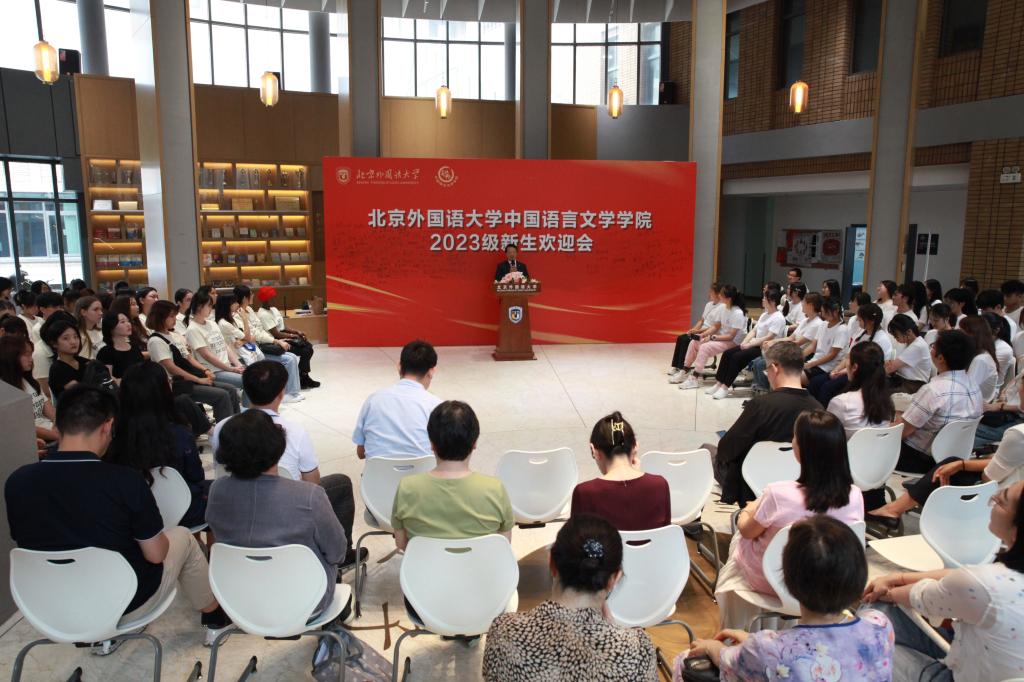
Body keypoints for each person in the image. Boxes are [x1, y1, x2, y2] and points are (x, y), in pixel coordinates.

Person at [4, 385, 230, 646]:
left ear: (57, 424)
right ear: (107, 426)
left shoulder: (17, 482)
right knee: (183, 537)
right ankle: (215, 620)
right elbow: (156, 555)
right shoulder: (124, 481)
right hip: (124, 602)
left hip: (50, 607)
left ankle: (104, 638)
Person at [685, 516, 893, 682]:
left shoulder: (766, 648)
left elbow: (727, 660)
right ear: (859, 574)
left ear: (789, 580)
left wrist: (711, 646)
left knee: (684, 661)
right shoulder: (879, 625)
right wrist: (754, 645)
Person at [714, 410, 864, 628]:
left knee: (740, 535)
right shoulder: (855, 495)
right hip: (827, 584)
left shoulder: (778, 493)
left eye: (794, 437)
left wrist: (748, 510)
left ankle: (736, 625)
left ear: (801, 449)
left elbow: (747, 530)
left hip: (773, 581)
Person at [864, 480, 1024, 682]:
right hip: (981, 659)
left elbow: (920, 596)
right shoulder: (995, 578)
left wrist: (887, 590)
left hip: (960, 675)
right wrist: (898, 577)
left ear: (1018, 529)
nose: (993, 497)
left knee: (868, 630)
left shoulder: (984, 584)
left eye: (1002, 501)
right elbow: (962, 578)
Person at [209, 361, 362, 567]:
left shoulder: (221, 429)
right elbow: (312, 483)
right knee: (337, 486)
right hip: (301, 570)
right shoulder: (293, 432)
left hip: (236, 565)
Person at [483, 513, 656, 682]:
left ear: (552, 563)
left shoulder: (503, 631)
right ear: (615, 579)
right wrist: (614, 632)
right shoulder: (637, 650)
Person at [208, 409, 349, 616]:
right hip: (306, 601)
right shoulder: (309, 496)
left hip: (239, 600)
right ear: (278, 447)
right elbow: (337, 552)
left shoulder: (217, 491)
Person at [708, 341, 822, 505]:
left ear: (775, 368)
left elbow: (727, 449)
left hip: (750, 484)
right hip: (795, 483)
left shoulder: (761, 405)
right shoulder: (818, 408)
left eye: (766, 370)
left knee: (707, 451)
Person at [391, 400, 514, 548]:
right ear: (474, 443)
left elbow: (401, 543)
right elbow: (504, 543)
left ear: (432, 444)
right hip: (481, 563)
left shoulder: (407, 487)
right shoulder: (495, 489)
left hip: (425, 563)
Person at [104, 362, 209, 529]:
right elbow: (196, 476)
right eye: (168, 380)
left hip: (133, 516)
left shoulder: (113, 435)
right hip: (184, 513)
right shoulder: (179, 433)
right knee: (215, 491)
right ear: (163, 391)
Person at [868, 422, 1024, 526]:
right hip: (1012, 488)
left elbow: (989, 477)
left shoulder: (1018, 434)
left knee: (947, 467)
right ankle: (894, 508)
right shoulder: (974, 392)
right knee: (951, 463)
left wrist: (964, 464)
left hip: (1006, 495)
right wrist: (963, 464)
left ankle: (892, 509)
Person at [895, 330, 984, 474]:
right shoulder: (974, 386)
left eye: (933, 347)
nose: (931, 350)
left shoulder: (933, 390)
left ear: (941, 358)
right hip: (955, 457)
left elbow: (902, 432)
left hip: (921, 459)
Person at [146, 299, 240, 426]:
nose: (174, 319)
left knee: (231, 390)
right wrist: (198, 380)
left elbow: (189, 358)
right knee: (222, 395)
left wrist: (205, 370)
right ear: (161, 317)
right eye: (171, 316)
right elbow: (172, 368)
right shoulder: (156, 341)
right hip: (176, 384)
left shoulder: (174, 335)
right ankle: (224, 431)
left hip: (190, 378)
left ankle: (236, 425)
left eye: (174, 316)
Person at [570, 412, 670, 530]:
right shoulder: (659, 484)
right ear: (635, 446)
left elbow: (576, 539)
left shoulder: (584, 492)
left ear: (594, 451)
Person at [352, 339, 442, 459]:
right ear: (431, 371)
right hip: (423, 471)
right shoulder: (438, 407)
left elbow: (361, 452)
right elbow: (444, 452)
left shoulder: (373, 400)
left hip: (378, 472)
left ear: (399, 366)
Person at [706, 287, 786, 400]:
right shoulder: (764, 314)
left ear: (772, 301)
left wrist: (750, 345)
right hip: (755, 344)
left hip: (766, 349)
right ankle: (719, 383)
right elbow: (753, 331)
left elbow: (769, 337)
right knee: (728, 353)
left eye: (765, 298)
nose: (762, 299)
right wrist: (744, 343)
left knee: (736, 357)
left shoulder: (778, 318)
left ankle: (725, 387)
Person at [810, 302, 894, 407]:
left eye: (860, 319)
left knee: (827, 387)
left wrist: (842, 372)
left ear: (871, 321)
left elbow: (868, 367)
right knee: (815, 382)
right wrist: (837, 369)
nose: (858, 321)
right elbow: (848, 355)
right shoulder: (861, 332)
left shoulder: (881, 339)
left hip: (862, 376)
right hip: (850, 369)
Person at [231, 284, 305, 397]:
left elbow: (260, 330)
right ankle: (289, 394)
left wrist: (275, 340)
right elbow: (254, 335)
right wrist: (276, 341)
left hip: (261, 345)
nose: (253, 295)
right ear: (245, 298)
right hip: (253, 351)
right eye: (251, 294)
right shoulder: (237, 315)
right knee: (289, 360)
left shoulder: (249, 310)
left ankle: (292, 392)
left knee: (293, 356)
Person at [677, 284, 747, 390]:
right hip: (722, 337)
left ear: (728, 298)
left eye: (721, 294)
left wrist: (712, 338)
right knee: (694, 342)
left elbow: (731, 336)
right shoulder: (723, 308)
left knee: (705, 347)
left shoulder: (738, 313)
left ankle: (694, 378)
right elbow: (716, 326)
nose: (719, 295)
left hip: (733, 342)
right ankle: (685, 370)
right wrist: (703, 334)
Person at [751, 291, 824, 393]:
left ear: (811, 305)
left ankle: (768, 392)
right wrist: (772, 341)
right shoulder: (805, 321)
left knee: (763, 363)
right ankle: (761, 388)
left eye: (804, 302)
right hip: (793, 351)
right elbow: (791, 338)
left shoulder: (817, 324)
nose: (802, 304)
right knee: (758, 361)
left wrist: (776, 346)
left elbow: (798, 342)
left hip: (800, 354)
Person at [185, 289, 246, 399]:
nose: (211, 308)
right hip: (214, 371)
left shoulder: (212, 323)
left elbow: (225, 346)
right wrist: (231, 369)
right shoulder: (193, 329)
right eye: (209, 305)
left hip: (227, 366)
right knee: (248, 381)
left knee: (252, 376)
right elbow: (207, 355)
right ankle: (249, 409)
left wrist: (238, 365)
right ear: (199, 307)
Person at [254, 286, 319, 388]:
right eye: (272, 298)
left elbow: (283, 326)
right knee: (306, 350)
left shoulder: (274, 309)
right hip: (276, 341)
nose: (274, 299)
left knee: (308, 346)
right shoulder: (263, 314)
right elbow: (276, 333)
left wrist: (296, 332)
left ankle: (303, 376)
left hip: (283, 335)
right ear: (265, 299)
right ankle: (303, 377)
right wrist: (293, 336)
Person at [827, 342, 895, 437]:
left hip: (847, 446)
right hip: (878, 446)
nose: (846, 363)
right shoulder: (887, 401)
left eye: (848, 358)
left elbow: (827, 435)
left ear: (855, 367)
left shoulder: (841, 402)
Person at [0, 335, 57, 443]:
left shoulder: (30, 381)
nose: (31, 359)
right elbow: (22, 426)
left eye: (31, 354)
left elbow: (50, 411)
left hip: (51, 432)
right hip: (32, 440)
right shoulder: (4, 389)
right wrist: (57, 435)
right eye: (26, 355)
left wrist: (61, 424)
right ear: (11, 357)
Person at [668, 283, 722, 381]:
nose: (709, 294)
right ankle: (676, 366)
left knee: (687, 341)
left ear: (718, 294)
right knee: (682, 338)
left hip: (708, 332)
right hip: (700, 330)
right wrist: (693, 330)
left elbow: (714, 327)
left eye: (711, 292)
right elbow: (701, 320)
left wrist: (698, 331)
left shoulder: (722, 307)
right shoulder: (708, 305)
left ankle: (683, 368)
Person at [802, 297, 848, 387]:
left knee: (794, 376)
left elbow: (831, 355)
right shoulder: (823, 324)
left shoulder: (842, 329)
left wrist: (810, 364)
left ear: (835, 312)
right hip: (815, 362)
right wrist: (798, 357)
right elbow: (812, 346)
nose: (822, 314)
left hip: (826, 367)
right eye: (822, 311)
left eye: (825, 312)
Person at [885, 314, 932, 394]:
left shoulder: (918, 346)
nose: (896, 339)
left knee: (878, 389)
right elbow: (891, 364)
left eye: (896, 336)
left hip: (913, 385)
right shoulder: (908, 343)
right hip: (902, 380)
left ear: (909, 332)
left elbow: (891, 367)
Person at [43, 317, 88, 401]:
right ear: (54, 343)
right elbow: (80, 395)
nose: (73, 342)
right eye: (66, 338)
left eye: (76, 337)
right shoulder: (57, 369)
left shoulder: (85, 362)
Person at [97, 311, 145, 382]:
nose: (128, 324)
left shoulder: (135, 347)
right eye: (122, 322)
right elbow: (108, 379)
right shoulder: (106, 352)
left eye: (128, 321)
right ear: (111, 327)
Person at [961, 316, 1000, 402]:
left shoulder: (981, 360)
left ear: (973, 335)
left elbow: (966, 392)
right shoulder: (979, 355)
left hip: (976, 407)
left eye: (962, 333)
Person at [74, 295, 104, 359]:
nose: (101, 313)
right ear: (83, 312)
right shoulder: (78, 335)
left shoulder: (101, 330)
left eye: (101, 309)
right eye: (96, 309)